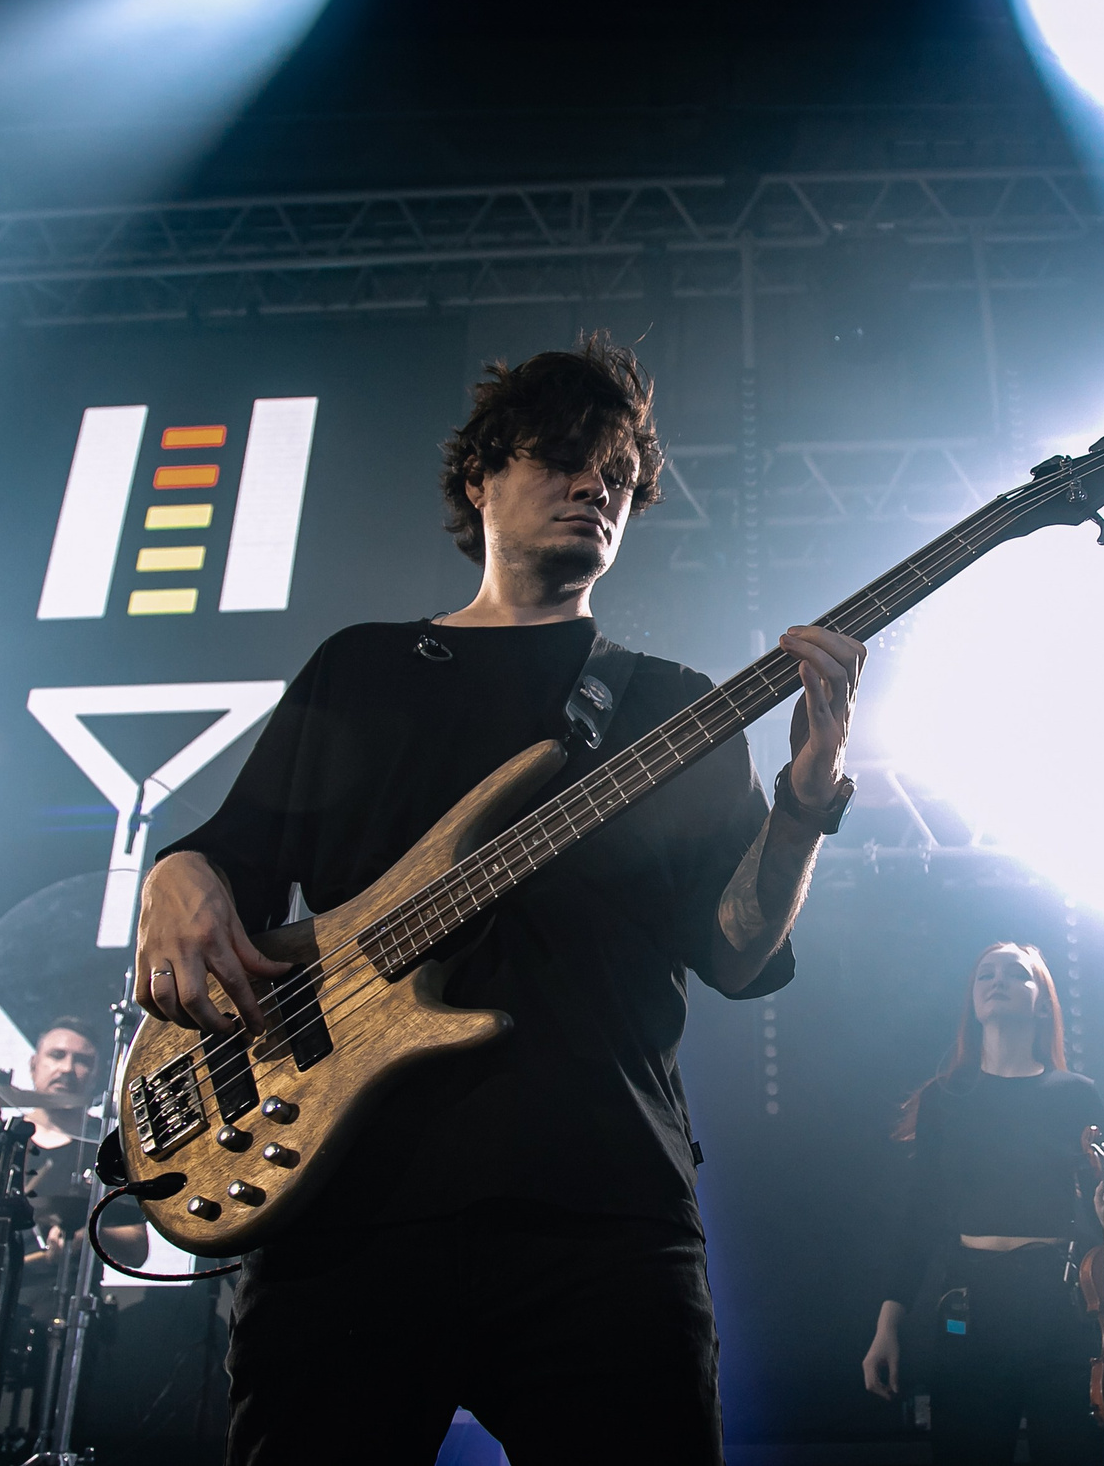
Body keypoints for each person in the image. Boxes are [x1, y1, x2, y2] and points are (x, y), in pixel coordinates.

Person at [134, 334, 866, 1466]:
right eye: (566, 460)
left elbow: (735, 949)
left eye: (617, 479)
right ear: (480, 477)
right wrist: (174, 870)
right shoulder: (363, 669)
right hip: (344, 1204)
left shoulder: (671, 706)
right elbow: (228, 859)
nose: (595, 489)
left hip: (598, 1205)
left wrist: (805, 798)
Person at [863, 941, 1104, 1466]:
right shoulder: (945, 1098)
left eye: (1016, 974)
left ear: (1041, 1001)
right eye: (985, 974)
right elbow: (918, 1218)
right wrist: (888, 1326)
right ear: (973, 1000)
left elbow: (1096, 1201)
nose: (997, 981)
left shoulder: (1076, 1093)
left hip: (1058, 1304)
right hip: (970, 1304)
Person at [0, 1016, 147, 1273]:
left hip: (61, 1304)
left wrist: (90, 1233)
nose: (67, 1068)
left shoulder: (108, 1148)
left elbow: (137, 1249)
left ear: (98, 1074)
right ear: (34, 1065)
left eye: (82, 1060)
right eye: (57, 1055)